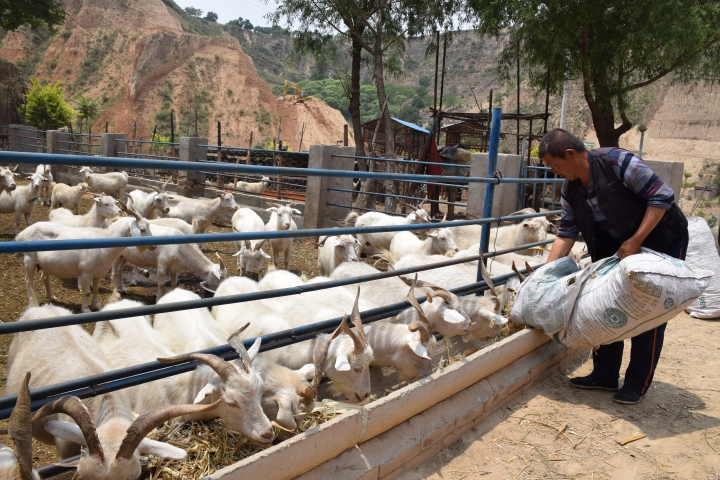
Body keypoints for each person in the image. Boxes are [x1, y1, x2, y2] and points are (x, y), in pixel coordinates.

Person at [541, 128, 688, 405]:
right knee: (604, 304)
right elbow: (566, 233)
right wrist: (544, 276)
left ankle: (636, 382)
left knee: (649, 307)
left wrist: (636, 241)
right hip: (618, 243)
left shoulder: (617, 162)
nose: (553, 171)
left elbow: (661, 198)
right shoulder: (570, 188)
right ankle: (605, 374)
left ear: (570, 154)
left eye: (553, 164)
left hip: (660, 236)